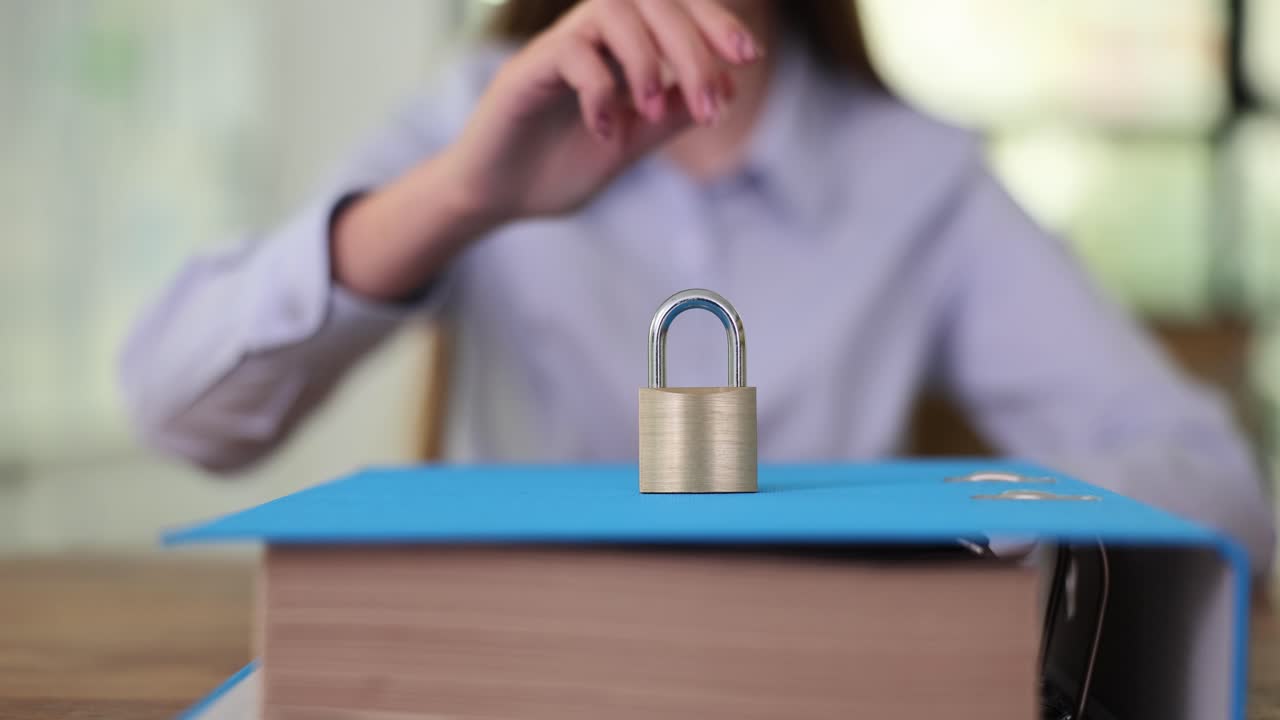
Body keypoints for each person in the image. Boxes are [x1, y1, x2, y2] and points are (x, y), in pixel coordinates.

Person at [120, 0, 1274, 573]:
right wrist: (459, 196)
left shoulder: (922, 180)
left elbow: (1217, 489)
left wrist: (929, 538)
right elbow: (176, 411)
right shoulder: (468, 115)